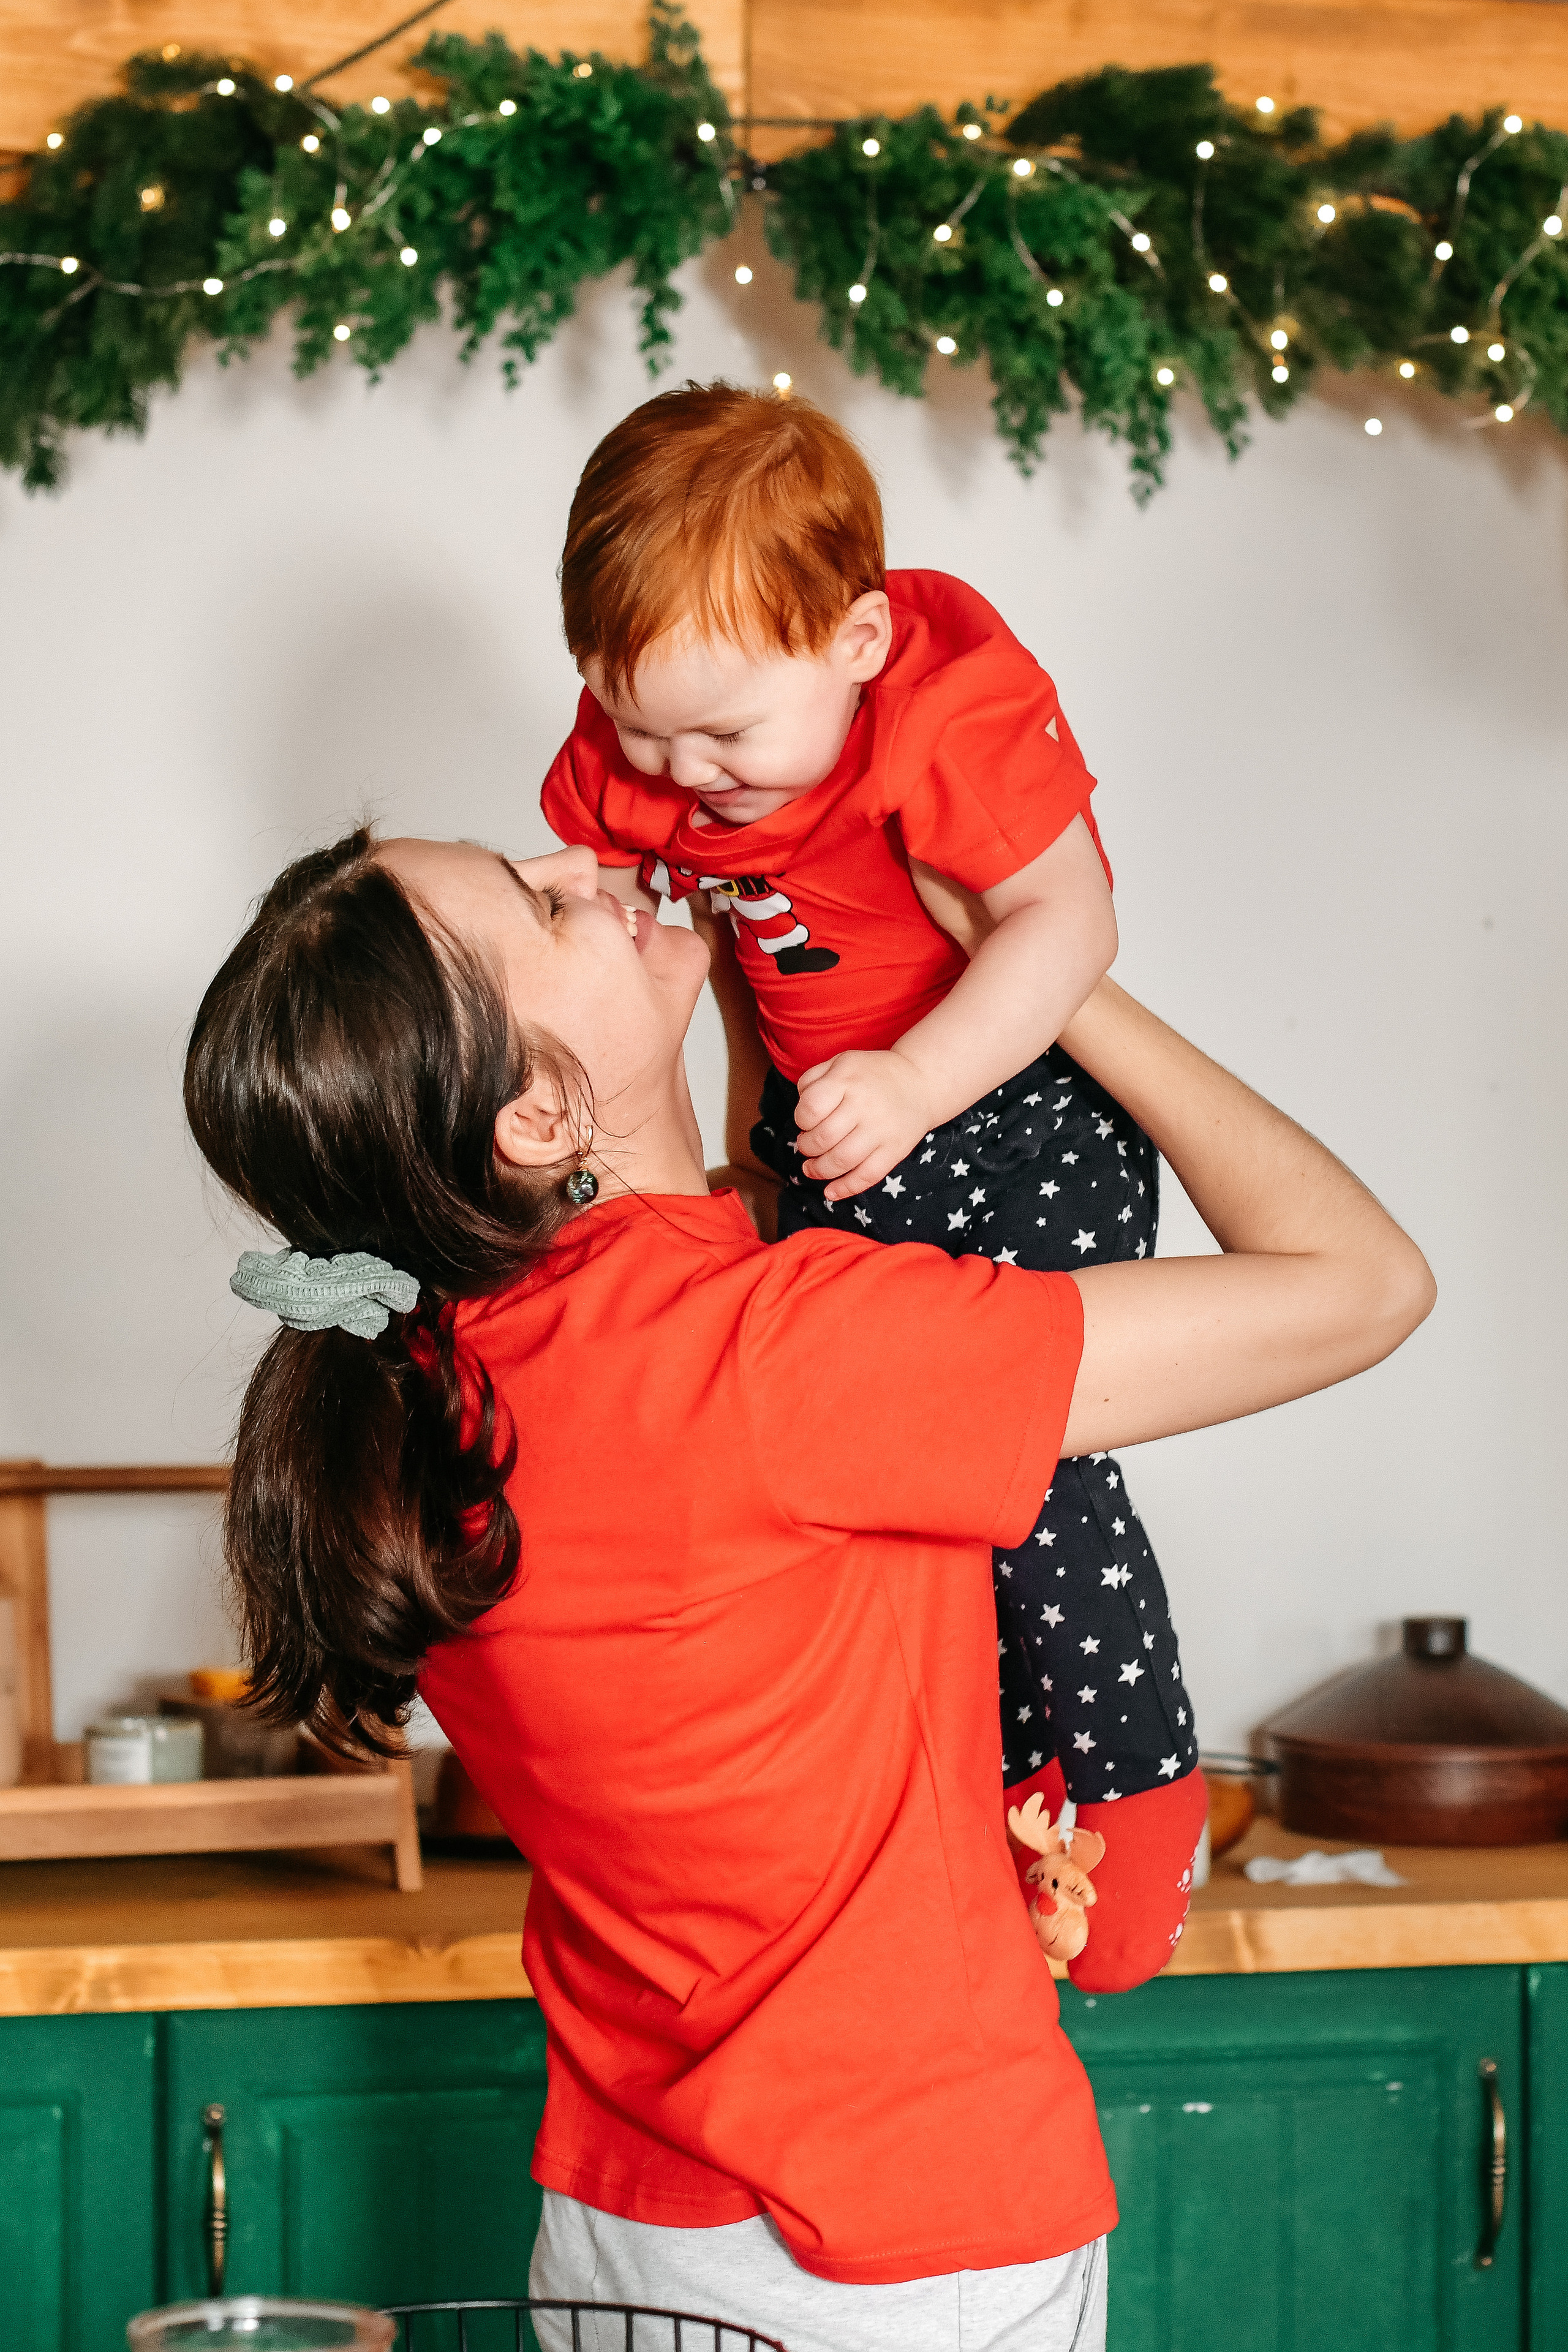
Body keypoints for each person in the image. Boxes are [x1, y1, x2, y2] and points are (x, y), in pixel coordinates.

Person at [186, 826, 1433, 2352]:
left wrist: (735, 992)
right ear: (531, 1111)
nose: (578, 866)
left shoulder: (432, 1377)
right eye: (537, 903)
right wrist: (1049, 972)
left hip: (626, 2237)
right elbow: (1363, 1281)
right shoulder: (779, 1358)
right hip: (896, 2248)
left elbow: (734, 1229)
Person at [542, 382, 1196, 1989]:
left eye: (724, 736)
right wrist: (729, 1156)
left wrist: (919, 1080)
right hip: (838, 1141)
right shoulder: (672, 750)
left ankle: (1133, 1800)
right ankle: (979, 1800)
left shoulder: (942, 712)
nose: (684, 774)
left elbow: (1069, 928)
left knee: (1030, 1473)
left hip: (1014, 1117)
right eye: (640, 730)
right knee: (875, 1505)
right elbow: (665, 948)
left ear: (850, 645)